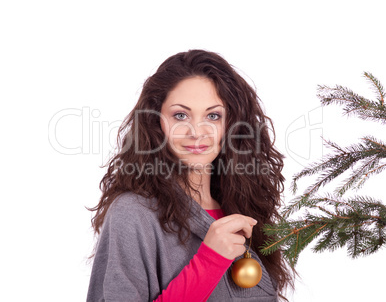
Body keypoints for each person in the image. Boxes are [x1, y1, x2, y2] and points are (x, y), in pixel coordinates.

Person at [86, 49, 294, 301]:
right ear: (157, 122)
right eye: (181, 115)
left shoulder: (244, 207)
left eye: (213, 116)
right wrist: (210, 260)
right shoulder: (132, 213)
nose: (197, 131)